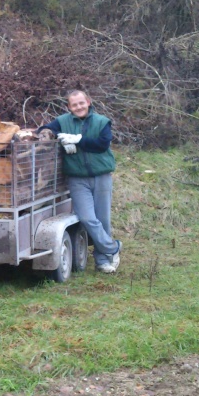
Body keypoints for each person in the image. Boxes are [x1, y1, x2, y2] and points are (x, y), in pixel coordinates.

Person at [39, 90, 121, 273]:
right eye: (74, 104)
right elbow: (44, 129)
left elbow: (103, 144)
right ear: (69, 107)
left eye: (81, 103)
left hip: (101, 177)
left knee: (103, 219)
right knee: (87, 218)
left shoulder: (101, 121)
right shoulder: (63, 121)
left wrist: (78, 140)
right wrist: (52, 134)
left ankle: (103, 260)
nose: (78, 107)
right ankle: (113, 248)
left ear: (88, 102)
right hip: (77, 179)